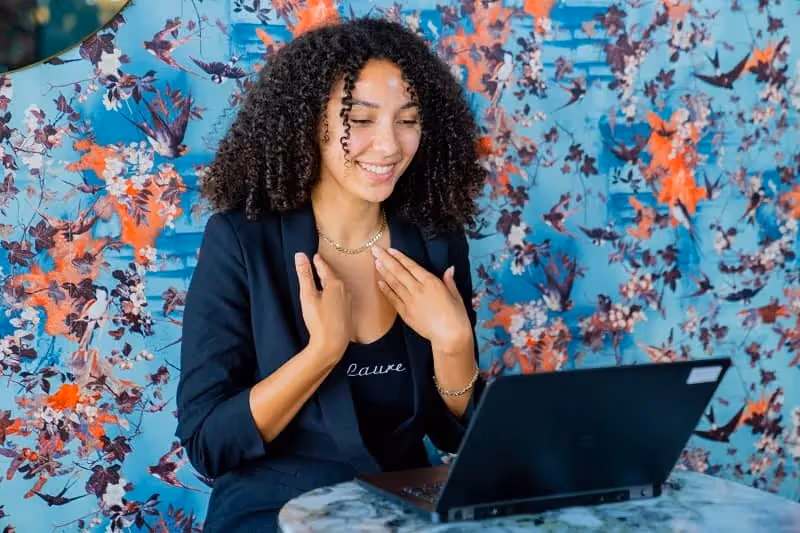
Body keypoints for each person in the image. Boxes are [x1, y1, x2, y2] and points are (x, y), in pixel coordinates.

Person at [175, 17, 486, 532]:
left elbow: (454, 434)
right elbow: (210, 445)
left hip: (398, 509)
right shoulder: (240, 242)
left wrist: (454, 345)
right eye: (360, 121)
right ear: (309, 122)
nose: (388, 146)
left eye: (407, 120)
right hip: (273, 513)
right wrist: (322, 353)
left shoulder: (435, 239)